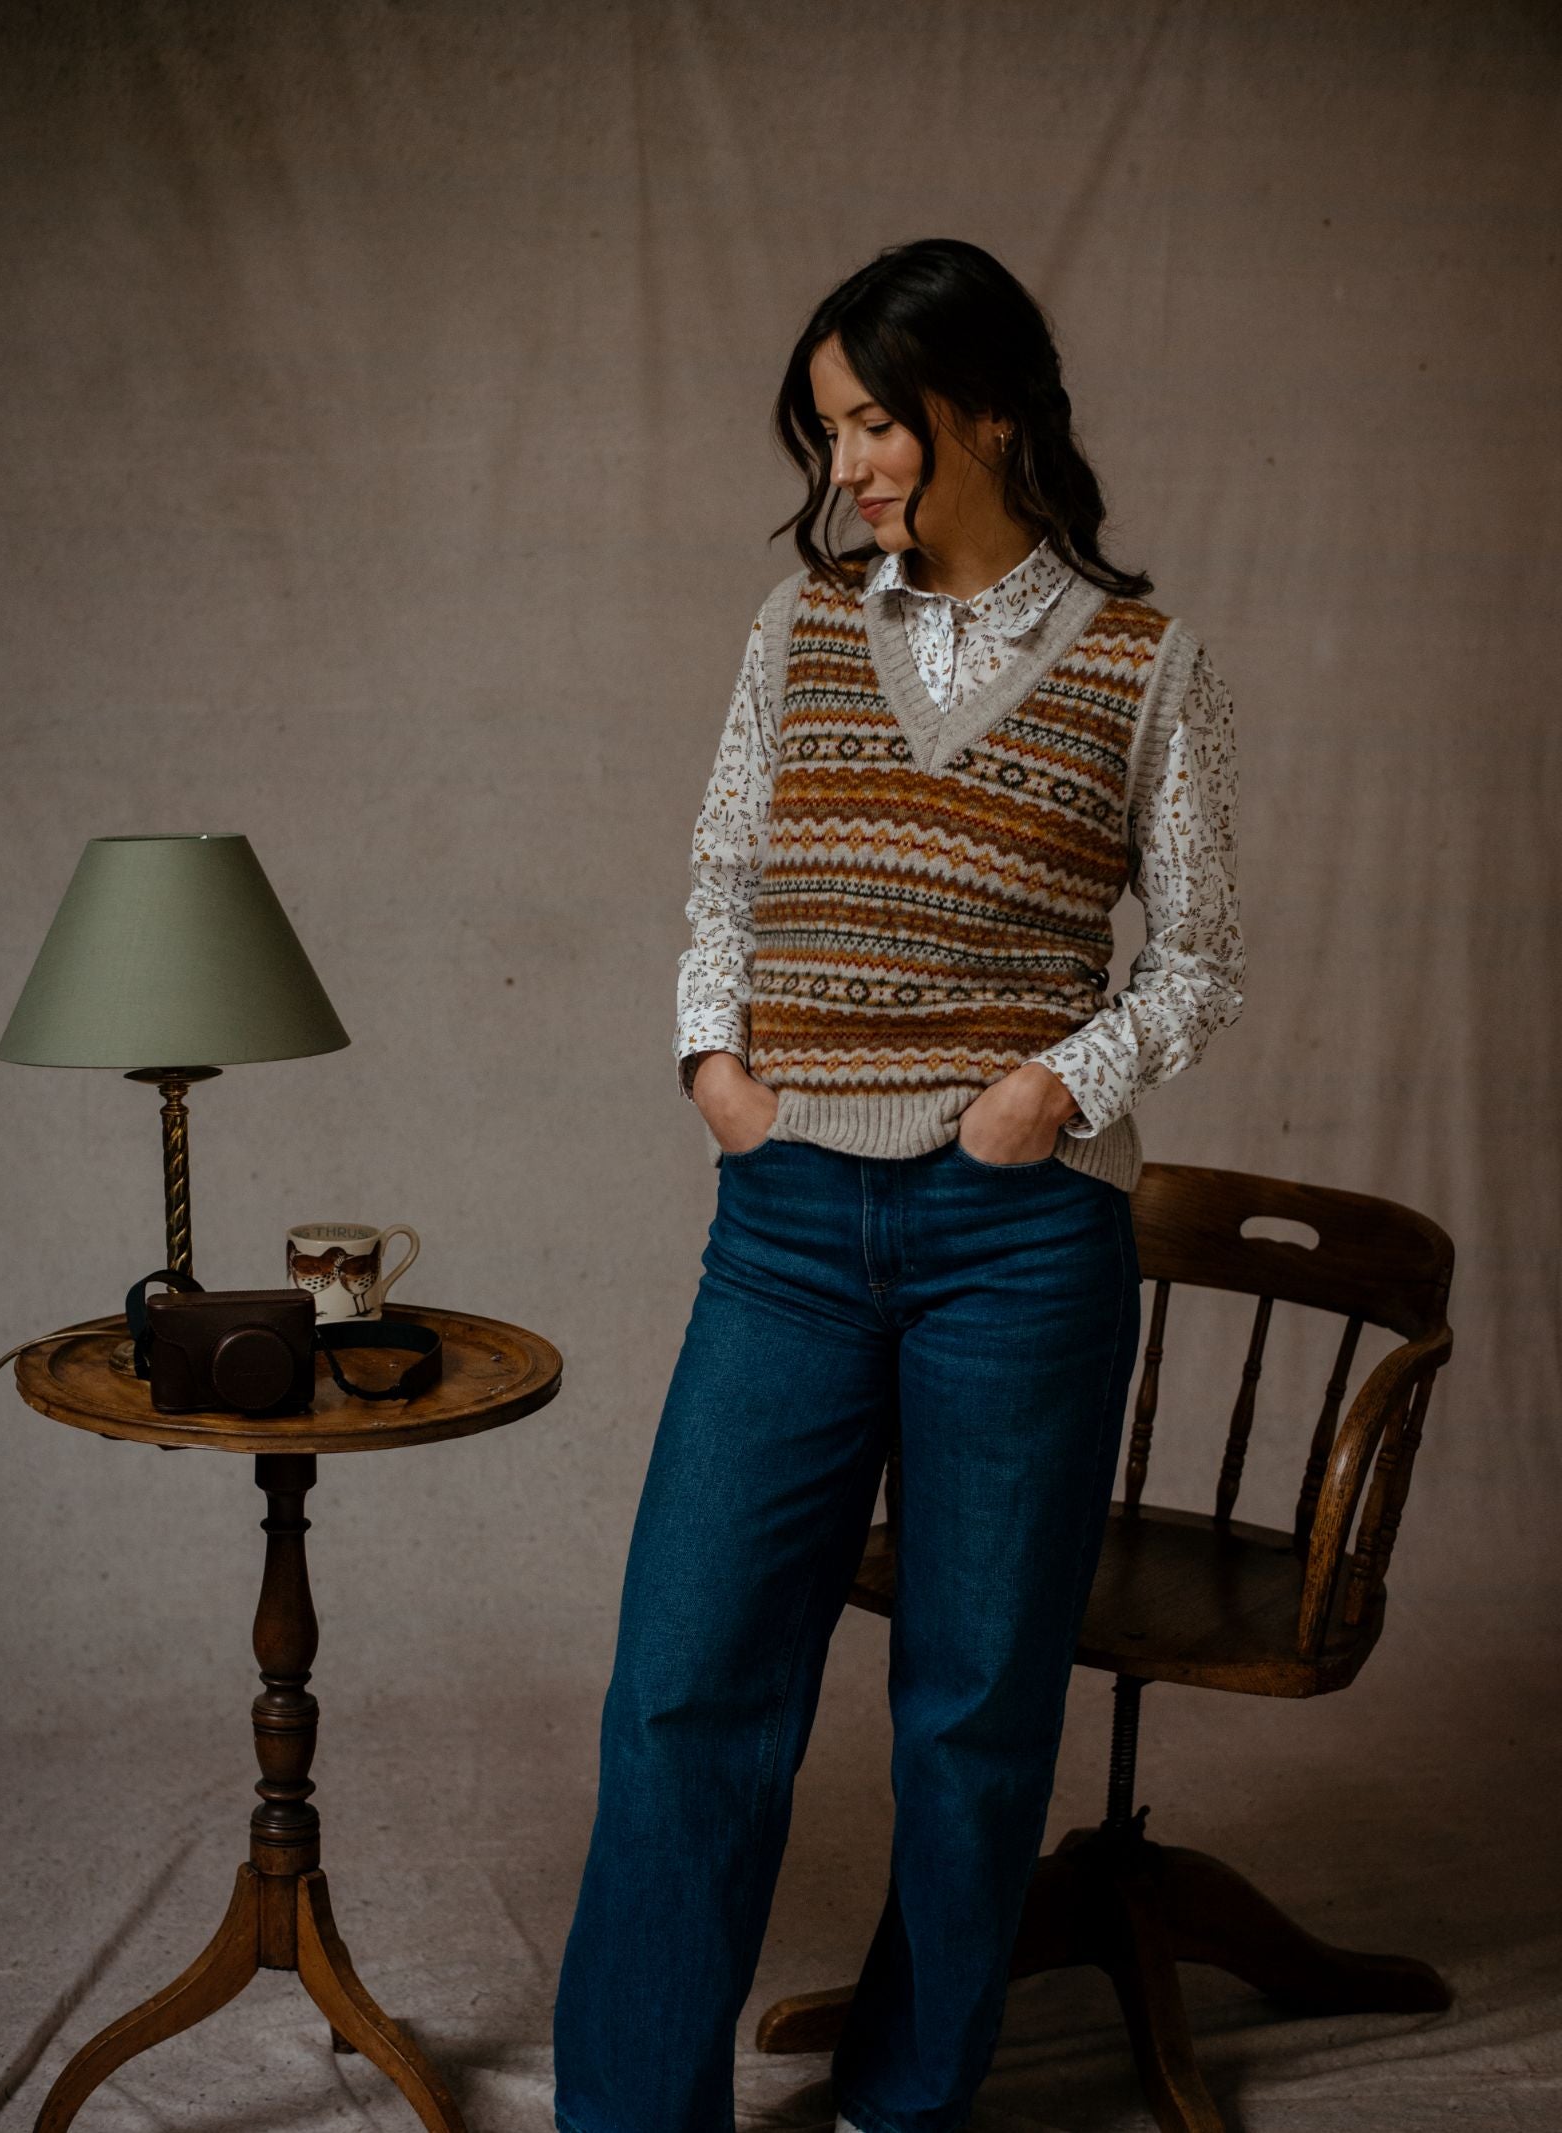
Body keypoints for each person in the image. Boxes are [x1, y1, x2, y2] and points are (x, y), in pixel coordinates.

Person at [552, 236, 1244, 2133]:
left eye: (878, 421)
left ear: (989, 408)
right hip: (782, 1228)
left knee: (967, 1718)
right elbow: (720, 878)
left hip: (1019, 1245)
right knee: (689, 1681)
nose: (849, 462)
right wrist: (716, 1067)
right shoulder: (794, 631)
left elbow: (1200, 959)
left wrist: (1055, 1086)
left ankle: (906, 2101)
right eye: (833, 427)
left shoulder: (1145, 661)